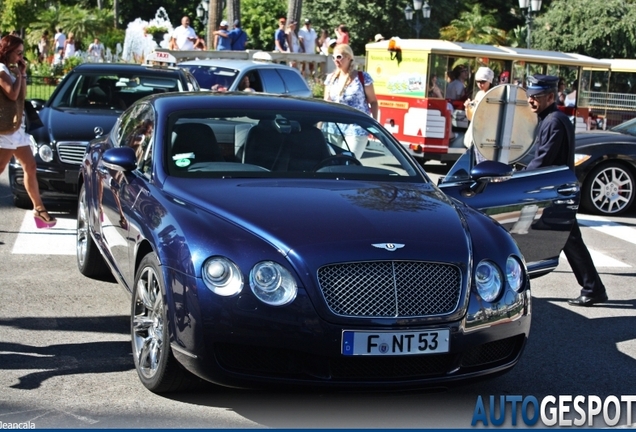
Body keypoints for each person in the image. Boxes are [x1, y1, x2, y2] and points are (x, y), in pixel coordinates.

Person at [524, 74, 608, 307]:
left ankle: (593, 288)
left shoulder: (553, 121)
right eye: (529, 96)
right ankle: (593, 288)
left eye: (536, 97)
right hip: (558, 189)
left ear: (550, 96)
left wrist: (519, 179)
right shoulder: (553, 118)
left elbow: (543, 160)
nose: (531, 101)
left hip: (556, 191)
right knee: (570, 241)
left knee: (564, 240)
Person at [0, 35, 56, 228]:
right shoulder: (1, 70)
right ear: (7, 51)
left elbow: (21, 96)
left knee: (30, 166)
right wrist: (19, 76)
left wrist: (22, 74)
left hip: (16, 129)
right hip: (5, 131)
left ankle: (39, 209)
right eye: (18, 53)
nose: (21, 57)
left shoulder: (11, 70)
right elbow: (12, 93)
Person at [323, 44, 378, 159]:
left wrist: (374, 125)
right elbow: (325, 104)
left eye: (339, 57)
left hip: (356, 128)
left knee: (350, 162)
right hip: (333, 128)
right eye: (333, 58)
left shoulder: (362, 77)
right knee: (333, 165)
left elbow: (373, 101)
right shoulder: (331, 78)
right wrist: (319, 125)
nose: (336, 60)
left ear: (349, 57)